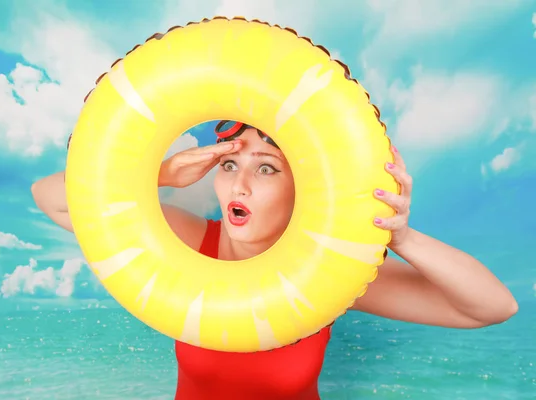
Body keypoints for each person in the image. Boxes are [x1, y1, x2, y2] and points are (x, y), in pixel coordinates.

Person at [32, 120, 518, 400]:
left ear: (301, 188)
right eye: (228, 165)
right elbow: (50, 196)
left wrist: (402, 236)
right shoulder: (191, 239)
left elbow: (492, 307)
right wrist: (156, 175)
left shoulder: (329, 271)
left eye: (265, 168)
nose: (238, 185)